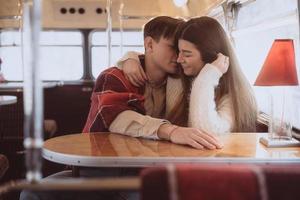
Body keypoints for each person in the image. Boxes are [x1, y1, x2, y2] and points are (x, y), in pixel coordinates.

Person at [82, 16, 222, 150]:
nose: (180, 57)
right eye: (174, 47)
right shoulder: (113, 77)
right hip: (99, 160)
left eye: (184, 50)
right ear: (149, 45)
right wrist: (172, 131)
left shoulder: (182, 79)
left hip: (145, 159)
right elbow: (115, 116)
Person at [119, 16, 258, 135]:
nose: (179, 59)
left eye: (187, 54)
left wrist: (208, 76)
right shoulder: (184, 76)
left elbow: (206, 133)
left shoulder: (233, 97)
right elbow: (152, 59)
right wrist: (129, 58)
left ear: (210, 56)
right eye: (178, 51)